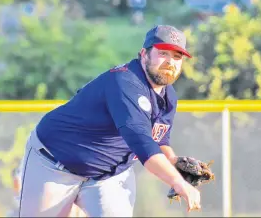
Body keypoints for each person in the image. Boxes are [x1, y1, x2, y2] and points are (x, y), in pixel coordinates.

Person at [18, 25, 201, 217]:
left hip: (109, 177)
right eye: (163, 53)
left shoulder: (168, 96)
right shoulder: (125, 82)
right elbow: (141, 142)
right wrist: (177, 182)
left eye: (177, 57)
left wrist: (172, 160)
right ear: (144, 54)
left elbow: (158, 140)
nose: (170, 62)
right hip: (54, 164)